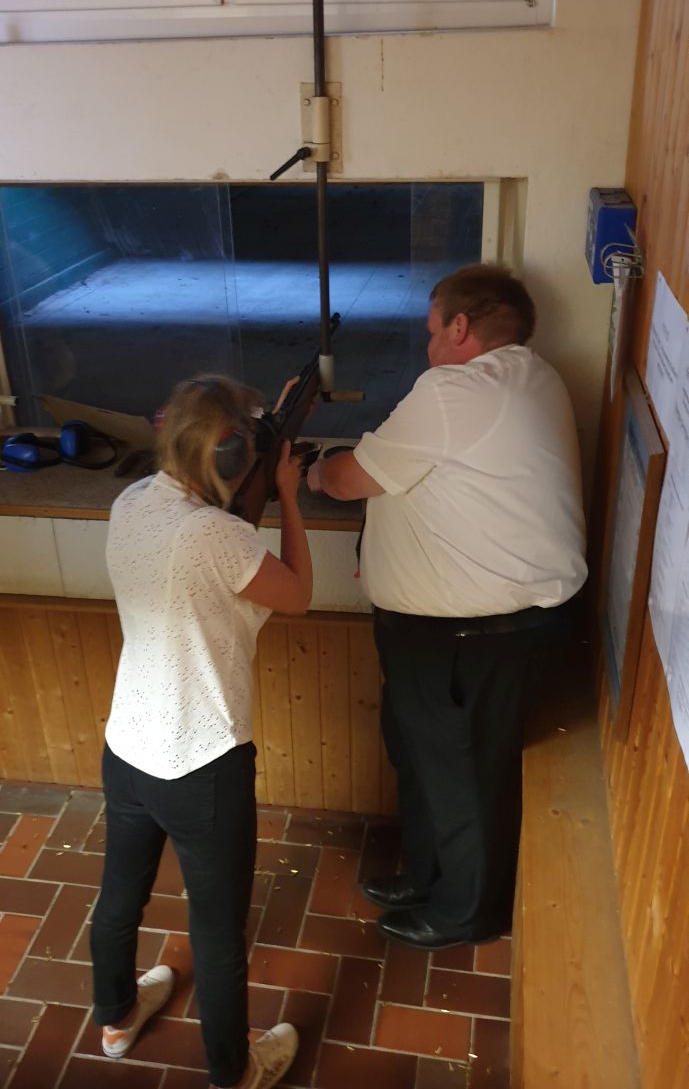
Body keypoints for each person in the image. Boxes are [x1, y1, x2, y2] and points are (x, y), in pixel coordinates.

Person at [307, 264, 587, 950]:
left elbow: (349, 478)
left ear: (460, 327)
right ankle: (427, 876)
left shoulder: (455, 390)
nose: (428, 345)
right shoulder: (534, 376)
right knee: (425, 759)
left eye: (432, 330)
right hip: (466, 633)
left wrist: (312, 471)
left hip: (468, 637)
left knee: (461, 777)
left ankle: (466, 912)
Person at [90, 374, 312, 1089]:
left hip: (128, 746)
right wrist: (287, 495)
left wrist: (266, 419)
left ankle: (116, 1019)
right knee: (217, 933)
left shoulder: (131, 502)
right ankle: (231, 1070)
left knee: (119, 894)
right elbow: (298, 594)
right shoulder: (217, 535)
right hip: (202, 762)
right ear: (233, 454)